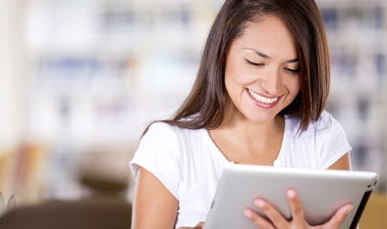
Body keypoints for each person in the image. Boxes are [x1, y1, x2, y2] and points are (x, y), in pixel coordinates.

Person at [129, 0, 354, 228]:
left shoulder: (322, 138)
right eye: (255, 62)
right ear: (222, 50)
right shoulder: (168, 146)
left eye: (292, 69)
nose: (272, 86)